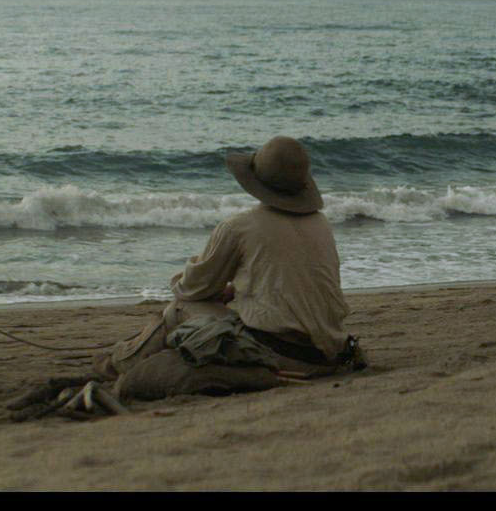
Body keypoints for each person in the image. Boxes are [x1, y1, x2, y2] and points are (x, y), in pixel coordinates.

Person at [97, 136, 361, 396]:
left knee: (179, 308)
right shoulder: (321, 223)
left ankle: (117, 363)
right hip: (327, 354)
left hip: (277, 354)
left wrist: (203, 281)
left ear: (256, 181)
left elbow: (190, 290)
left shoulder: (239, 227)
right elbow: (293, 278)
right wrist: (236, 289)